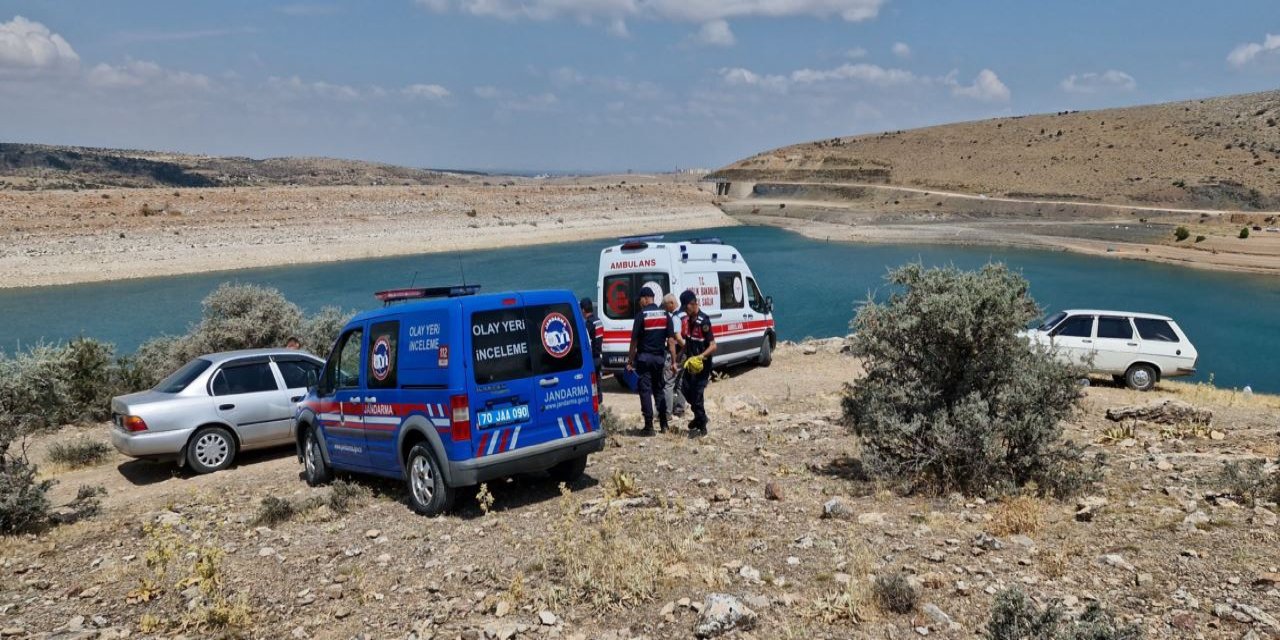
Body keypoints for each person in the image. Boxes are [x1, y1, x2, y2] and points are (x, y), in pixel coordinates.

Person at [626, 285, 677, 435]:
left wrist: (630, 361)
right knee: (659, 390)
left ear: (646, 298)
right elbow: (672, 341)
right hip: (660, 360)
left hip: (644, 359)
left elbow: (634, 341)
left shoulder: (641, 316)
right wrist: (674, 362)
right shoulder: (665, 315)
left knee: (645, 391)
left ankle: (649, 426)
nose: (640, 302)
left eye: (640, 299)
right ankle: (664, 424)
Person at [679, 290, 716, 437]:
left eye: (686, 308)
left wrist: (701, 356)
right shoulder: (689, 321)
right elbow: (687, 343)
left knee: (697, 394)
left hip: (702, 366)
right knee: (685, 390)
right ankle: (700, 417)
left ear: (692, 304)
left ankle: (702, 424)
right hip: (690, 364)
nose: (685, 311)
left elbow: (713, 346)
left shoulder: (704, 322)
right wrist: (679, 358)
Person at [661, 293, 687, 418]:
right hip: (686, 354)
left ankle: (667, 413)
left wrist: (684, 347)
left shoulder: (676, 318)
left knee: (669, 383)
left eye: (666, 306)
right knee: (681, 381)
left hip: (677, 353)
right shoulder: (685, 315)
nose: (665, 309)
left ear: (671, 303)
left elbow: (677, 337)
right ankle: (680, 409)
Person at [580, 297, 605, 403]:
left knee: (591, 385)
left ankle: (596, 406)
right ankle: (600, 404)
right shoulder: (598, 321)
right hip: (599, 356)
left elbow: (585, 342)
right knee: (598, 382)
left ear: (583, 310)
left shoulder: (589, 324)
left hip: (592, 359)